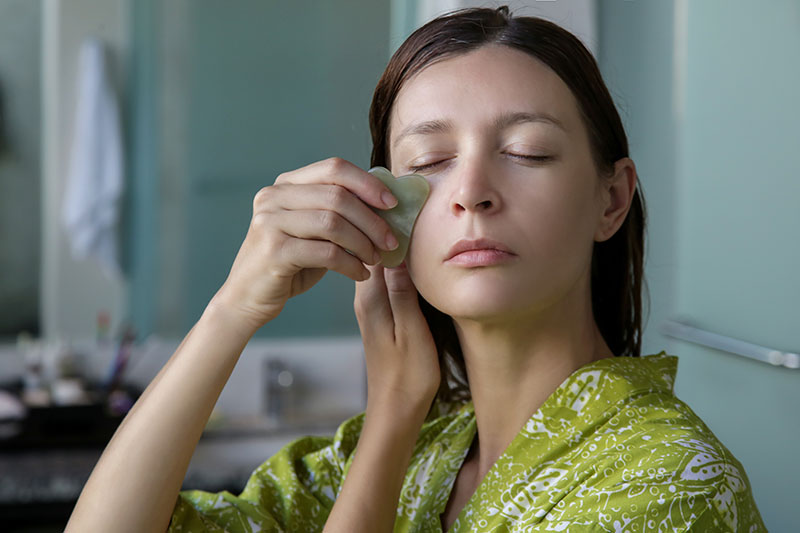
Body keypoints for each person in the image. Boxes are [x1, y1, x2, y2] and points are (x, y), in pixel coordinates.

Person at [66, 6, 766, 532]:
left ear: (610, 199)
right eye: (429, 163)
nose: (471, 191)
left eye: (526, 150)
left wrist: (394, 421)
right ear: (391, 214)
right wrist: (233, 310)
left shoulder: (670, 483)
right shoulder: (411, 449)